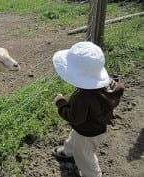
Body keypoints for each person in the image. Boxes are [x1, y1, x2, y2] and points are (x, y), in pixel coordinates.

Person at [51, 41, 124, 177]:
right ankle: (68, 152)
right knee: (74, 138)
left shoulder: (83, 97)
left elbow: (75, 118)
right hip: (96, 127)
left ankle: (94, 174)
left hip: (86, 133)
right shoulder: (109, 85)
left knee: (85, 158)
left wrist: (61, 103)